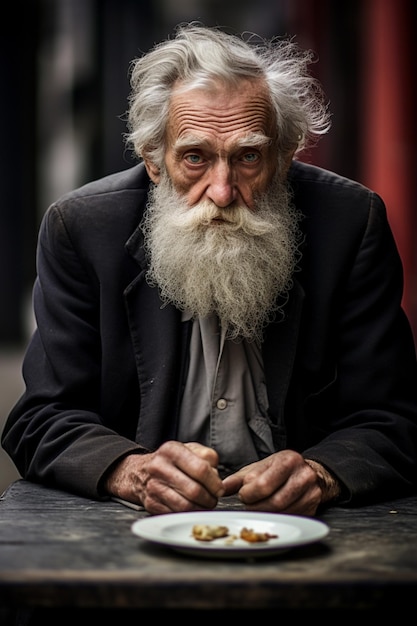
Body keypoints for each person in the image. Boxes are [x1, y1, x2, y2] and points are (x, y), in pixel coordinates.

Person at [2, 22, 417, 518]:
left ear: (283, 159)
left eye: (248, 157)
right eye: (195, 158)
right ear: (155, 162)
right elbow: (39, 419)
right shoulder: (82, 229)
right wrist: (132, 471)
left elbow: (396, 419)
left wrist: (322, 472)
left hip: (303, 525)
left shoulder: (351, 225)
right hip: (138, 525)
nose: (222, 191)